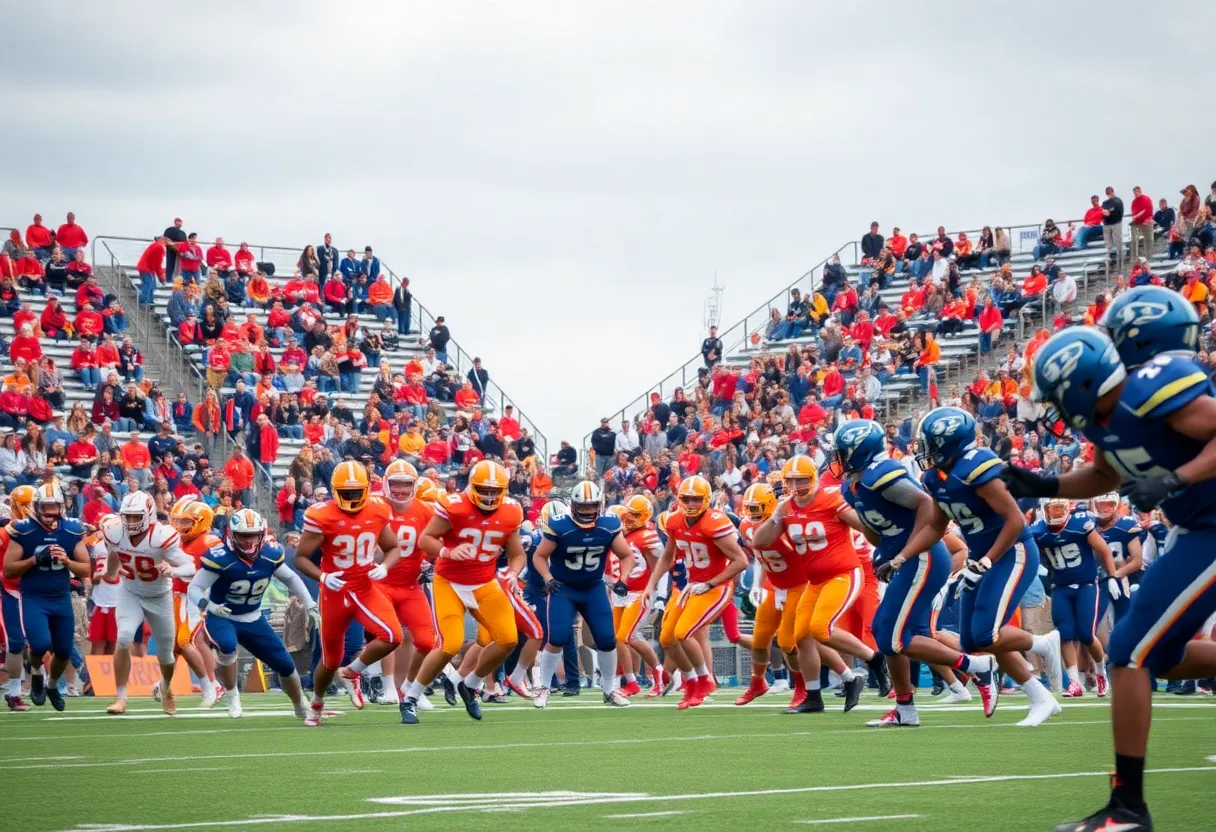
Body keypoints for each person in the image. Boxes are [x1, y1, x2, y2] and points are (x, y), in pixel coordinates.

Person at [1004, 326, 1216, 831]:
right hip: (1195, 528)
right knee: (1155, 654)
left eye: (1056, 394)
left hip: (1211, 524)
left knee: (1129, 650)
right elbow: (1105, 475)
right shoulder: (1106, 417)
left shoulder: (1153, 390)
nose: (1050, 408)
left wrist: (1176, 478)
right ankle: (1126, 808)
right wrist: (1046, 483)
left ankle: (1127, 809)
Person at [833, 420, 999, 727]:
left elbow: (925, 504)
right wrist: (884, 552)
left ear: (859, 451)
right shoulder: (853, 485)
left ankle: (975, 665)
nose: (838, 459)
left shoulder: (882, 474)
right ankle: (905, 709)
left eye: (843, 452)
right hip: (905, 557)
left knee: (892, 635)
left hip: (922, 555)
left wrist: (904, 551)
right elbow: (874, 527)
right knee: (888, 635)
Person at [905, 407, 1062, 729]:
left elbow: (1016, 520)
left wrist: (986, 561)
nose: (924, 450)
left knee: (987, 633)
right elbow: (936, 526)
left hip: (1012, 551)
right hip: (982, 559)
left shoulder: (977, 468)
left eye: (930, 443)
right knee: (973, 642)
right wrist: (901, 557)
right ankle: (1042, 697)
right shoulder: (934, 477)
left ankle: (1045, 644)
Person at [753, 455, 890, 714]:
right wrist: (774, 517)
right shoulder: (786, 508)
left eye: (801, 480)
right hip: (814, 582)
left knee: (820, 628)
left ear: (813, 479)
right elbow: (759, 542)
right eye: (790, 481)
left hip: (843, 573)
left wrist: (889, 552)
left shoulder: (830, 498)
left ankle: (874, 659)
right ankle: (814, 696)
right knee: (801, 637)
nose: (796, 486)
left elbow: (864, 525)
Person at [408, 460, 525, 722]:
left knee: (508, 639)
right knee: (450, 644)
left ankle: (469, 684)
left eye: (496, 491)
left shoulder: (510, 512)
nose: (490, 496)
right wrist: (448, 551)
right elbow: (425, 539)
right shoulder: (455, 506)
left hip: (485, 582)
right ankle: (411, 697)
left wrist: (513, 572)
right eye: (484, 490)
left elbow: (517, 554)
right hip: (450, 581)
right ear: (473, 486)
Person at [293, 461, 403, 726]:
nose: (352, 498)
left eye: (357, 492)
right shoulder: (321, 515)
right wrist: (323, 576)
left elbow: (394, 548)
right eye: (347, 492)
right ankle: (317, 703)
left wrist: (385, 567)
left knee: (393, 635)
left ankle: (353, 672)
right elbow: (301, 558)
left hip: (365, 586)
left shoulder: (377, 509)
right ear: (334, 490)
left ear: (366, 489)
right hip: (335, 589)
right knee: (331, 659)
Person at [188, 508, 315, 720]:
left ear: (261, 534)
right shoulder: (220, 557)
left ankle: (301, 705)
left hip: (253, 617)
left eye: (253, 535)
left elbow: (291, 579)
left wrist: (310, 603)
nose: (249, 541)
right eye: (243, 536)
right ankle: (233, 697)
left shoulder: (270, 554)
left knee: (285, 664)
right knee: (227, 647)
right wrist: (209, 606)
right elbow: (194, 588)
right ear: (232, 534)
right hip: (223, 615)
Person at [641, 475, 747, 710]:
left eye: (695, 500)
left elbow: (740, 561)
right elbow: (668, 556)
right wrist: (650, 585)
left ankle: (704, 680)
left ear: (706, 500)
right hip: (692, 585)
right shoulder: (675, 521)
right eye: (686, 499)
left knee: (684, 632)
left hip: (717, 586)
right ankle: (690, 681)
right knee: (667, 638)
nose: (690, 504)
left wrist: (711, 583)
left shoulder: (715, 522)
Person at [530, 481, 636, 708]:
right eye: (583, 506)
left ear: (600, 505)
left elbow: (627, 555)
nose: (588, 511)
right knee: (557, 637)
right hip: (564, 588)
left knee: (607, 639)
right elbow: (539, 556)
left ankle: (609, 690)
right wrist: (548, 579)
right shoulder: (560, 525)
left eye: (592, 506)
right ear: (573, 505)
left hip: (593, 587)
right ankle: (544, 687)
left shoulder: (608, 524)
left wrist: (623, 580)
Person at [100, 491, 196, 715]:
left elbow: (190, 567)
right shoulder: (113, 530)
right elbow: (114, 552)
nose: (131, 522)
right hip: (130, 591)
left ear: (149, 515)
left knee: (166, 655)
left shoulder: (162, 536)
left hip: (159, 596)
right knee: (123, 637)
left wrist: (172, 570)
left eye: (136, 516)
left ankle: (165, 686)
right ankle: (121, 697)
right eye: (128, 516)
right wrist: (111, 571)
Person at [2, 482, 90, 711]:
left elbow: (86, 569)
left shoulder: (71, 529)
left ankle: (52, 685)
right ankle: (38, 673)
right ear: (36, 506)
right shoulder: (23, 529)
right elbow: (9, 569)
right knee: (39, 643)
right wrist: (33, 560)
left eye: (54, 507)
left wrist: (68, 561)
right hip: (33, 596)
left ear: (61, 506)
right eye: (46, 507)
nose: (50, 514)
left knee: (63, 650)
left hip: (60, 597)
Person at [734, 482, 811, 710]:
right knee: (759, 639)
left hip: (797, 585)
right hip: (771, 584)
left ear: (769, 506)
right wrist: (758, 584)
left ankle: (801, 687)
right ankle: (758, 683)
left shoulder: (785, 525)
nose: (752, 513)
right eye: (749, 508)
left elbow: (806, 555)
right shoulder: (746, 525)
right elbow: (759, 556)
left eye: (757, 508)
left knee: (787, 641)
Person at [1030, 499, 1116, 699]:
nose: (1056, 512)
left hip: (1086, 585)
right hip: (1060, 587)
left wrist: (1112, 577)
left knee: (1086, 634)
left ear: (1067, 508)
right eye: (1052, 509)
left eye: (1059, 508)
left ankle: (1101, 674)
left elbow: (1103, 550)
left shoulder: (1080, 524)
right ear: (1045, 510)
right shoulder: (1039, 531)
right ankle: (1074, 682)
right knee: (1065, 634)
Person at [375, 461, 439, 723]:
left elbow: (435, 542)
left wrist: (431, 562)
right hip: (378, 582)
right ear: (385, 483)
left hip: (411, 584)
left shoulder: (425, 510)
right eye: (396, 484)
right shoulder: (373, 507)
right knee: (391, 634)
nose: (401, 490)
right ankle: (384, 683)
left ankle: (410, 687)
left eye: (406, 485)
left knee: (426, 641)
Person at [165, 498, 224, 707]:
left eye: (186, 522)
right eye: (178, 521)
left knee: (193, 641)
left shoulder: (209, 542)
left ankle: (213, 683)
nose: (180, 526)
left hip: (198, 598)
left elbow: (198, 573)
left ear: (202, 521)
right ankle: (164, 683)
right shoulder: (181, 541)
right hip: (177, 596)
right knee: (176, 644)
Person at [613, 495, 664, 697]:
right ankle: (631, 682)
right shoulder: (622, 535)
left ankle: (658, 675)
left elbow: (659, 566)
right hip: (621, 593)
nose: (629, 518)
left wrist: (657, 593)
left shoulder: (647, 536)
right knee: (619, 639)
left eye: (634, 515)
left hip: (639, 593)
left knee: (628, 636)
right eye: (628, 513)